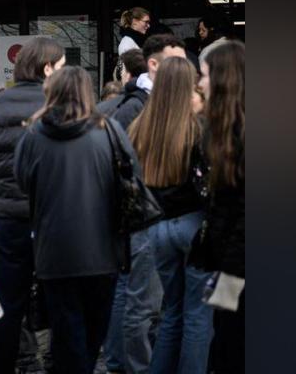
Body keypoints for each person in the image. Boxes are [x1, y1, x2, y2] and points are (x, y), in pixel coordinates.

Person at [14, 66, 129, 374]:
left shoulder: (33, 135)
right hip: (103, 250)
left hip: (53, 253)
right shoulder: (109, 130)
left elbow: (22, 181)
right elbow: (131, 177)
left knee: (66, 331)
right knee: (95, 329)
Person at [100, 33, 184, 374]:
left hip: (141, 214)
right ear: (152, 64)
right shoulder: (137, 108)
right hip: (144, 215)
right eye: (175, 62)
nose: (183, 70)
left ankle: (121, 362)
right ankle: (133, 365)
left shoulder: (130, 105)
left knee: (131, 293)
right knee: (142, 300)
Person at [0, 36, 64, 374]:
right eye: (60, 66)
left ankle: (3, 365)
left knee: (7, 304)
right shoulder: (58, 103)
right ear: (47, 68)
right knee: (59, 302)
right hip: (52, 221)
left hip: (10, 219)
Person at [129, 57, 214, 374]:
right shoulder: (196, 128)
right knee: (198, 316)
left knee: (171, 312)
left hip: (157, 227)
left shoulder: (140, 127)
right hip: (193, 225)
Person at [194, 41, 245, 374]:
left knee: (231, 346)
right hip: (232, 270)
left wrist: (228, 276)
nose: (200, 83)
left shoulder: (239, 136)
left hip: (238, 272)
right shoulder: (222, 133)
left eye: (205, 74)